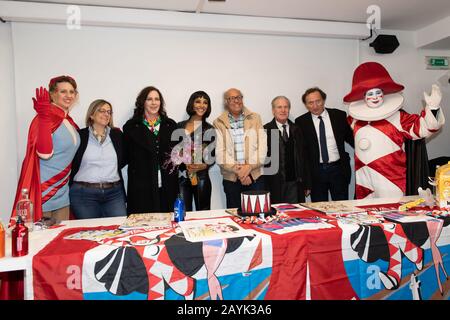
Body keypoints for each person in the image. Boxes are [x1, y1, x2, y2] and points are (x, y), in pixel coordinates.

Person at [343, 62, 445, 199]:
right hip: (364, 177)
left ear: (383, 94)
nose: (374, 97)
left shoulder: (398, 116)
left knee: (391, 211)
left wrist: (433, 108)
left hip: (390, 178)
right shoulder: (354, 119)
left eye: (378, 92)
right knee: (366, 213)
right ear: (363, 96)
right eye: (370, 93)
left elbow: (423, 128)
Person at [10, 75, 80, 224]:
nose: (68, 95)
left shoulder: (68, 121)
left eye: (72, 91)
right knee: (40, 242)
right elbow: (45, 153)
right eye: (63, 91)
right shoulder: (45, 118)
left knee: (62, 242)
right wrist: (43, 118)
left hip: (62, 194)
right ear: (53, 94)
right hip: (43, 193)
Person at [123, 86, 179, 214]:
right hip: (141, 188)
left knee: (169, 226)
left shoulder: (170, 125)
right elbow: (126, 156)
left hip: (167, 186)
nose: (154, 103)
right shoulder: (131, 127)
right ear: (143, 102)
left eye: (157, 99)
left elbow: (178, 155)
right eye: (149, 99)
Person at [69, 99, 127, 219]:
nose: (106, 114)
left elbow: (123, 160)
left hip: (114, 194)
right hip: (84, 195)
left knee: (119, 230)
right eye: (102, 111)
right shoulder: (80, 136)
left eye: (109, 112)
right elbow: (70, 162)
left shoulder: (117, 135)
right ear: (91, 114)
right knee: (90, 234)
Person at [295, 87, 354, 202]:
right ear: (306, 105)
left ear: (324, 100)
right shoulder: (301, 122)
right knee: (319, 208)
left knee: (342, 207)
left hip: (338, 170)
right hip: (316, 173)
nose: (315, 106)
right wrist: (306, 181)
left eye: (318, 101)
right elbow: (303, 153)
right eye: (310, 103)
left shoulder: (339, 115)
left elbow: (351, 139)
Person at [213, 88, 267, 209]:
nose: (236, 101)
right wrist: (240, 172)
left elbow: (262, 148)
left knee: (258, 215)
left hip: (255, 177)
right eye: (232, 98)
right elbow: (220, 153)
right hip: (232, 179)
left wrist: (248, 168)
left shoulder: (255, 118)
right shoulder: (218, 122)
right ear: (226, 102)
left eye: (239, 97)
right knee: (235, 217)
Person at [264, 96, 311, 204]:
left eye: (286, 107)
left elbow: (304, 158)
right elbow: (264, 162)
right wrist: (266, 187)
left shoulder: (297, 129)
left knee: (296, 215)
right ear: (273, 110)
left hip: (295, 183)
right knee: (278, 216)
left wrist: (307, 183)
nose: (283, 110)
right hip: (275, 185)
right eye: (279, 107)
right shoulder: (266, 130)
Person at [176, 91, 215, 211]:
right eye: (198, 101)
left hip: (201, 178)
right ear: (191, 104)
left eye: (205, 102)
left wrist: (203, 165)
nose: (201, 105)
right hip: (182, 178)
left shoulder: (209, 129)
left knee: (203, 214)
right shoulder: (178, 126)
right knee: (183, 213)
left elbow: (213, 156)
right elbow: (171, 151)